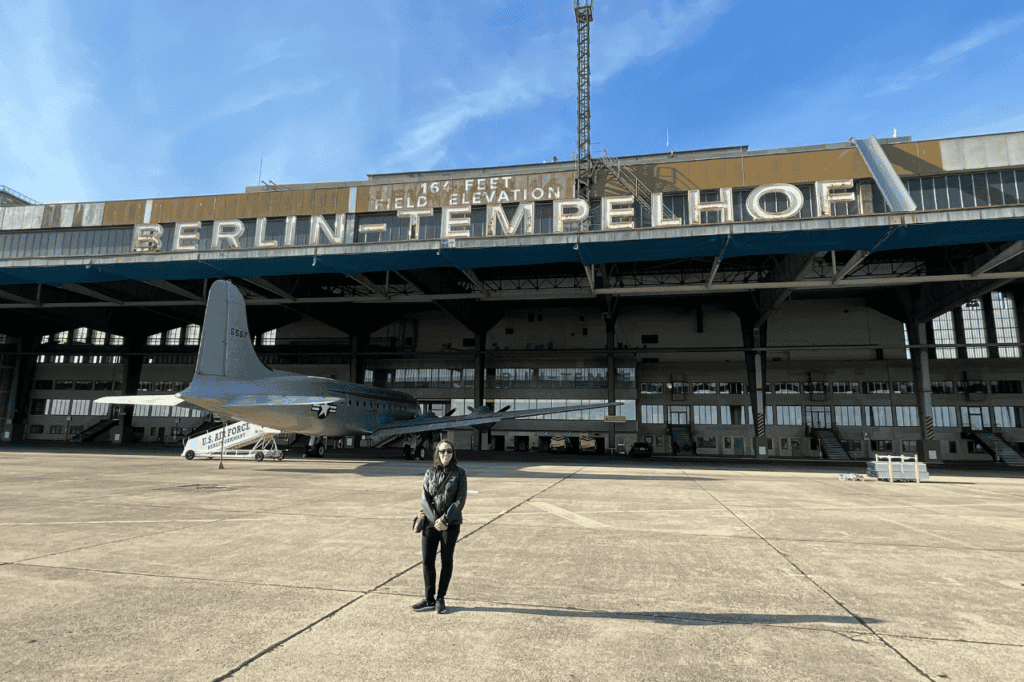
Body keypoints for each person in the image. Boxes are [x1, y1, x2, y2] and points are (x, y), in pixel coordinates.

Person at [412, 439, 467, 614]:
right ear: (437, 453)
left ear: (453, 453)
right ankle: (429, 598)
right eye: (442, 451)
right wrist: (435, 519)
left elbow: (460, 500)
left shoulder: (460, 474)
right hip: (430, 522)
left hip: (450, 524)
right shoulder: (429, 473)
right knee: (427, 561)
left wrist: (444, 520)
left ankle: (440, 598)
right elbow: (424, 498)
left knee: (446, 561)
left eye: (449, 451)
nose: (445, 454)